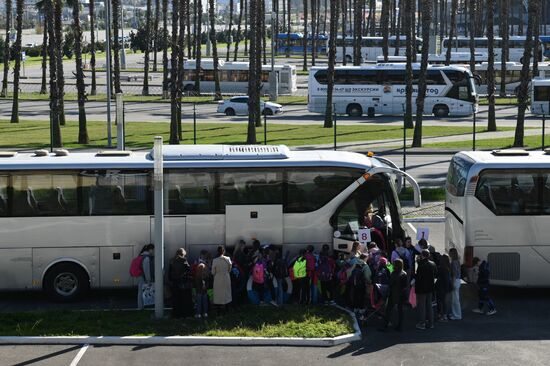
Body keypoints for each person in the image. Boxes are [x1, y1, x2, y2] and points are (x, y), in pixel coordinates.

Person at [380, 258, 408, 331]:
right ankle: (400, 326)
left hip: (393, 294)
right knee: (400, 311)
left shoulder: (394, 273)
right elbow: (405, 286)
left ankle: (385, 325)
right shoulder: (404, 273)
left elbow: (390, 284)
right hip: (401, 294)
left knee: (388, 310)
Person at [168, 248, 193, 318]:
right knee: (184, 299)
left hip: (174, 282)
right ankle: (185, 314)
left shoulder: (171, 261)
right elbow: (189, 270)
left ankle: (176, 314)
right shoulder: (184, 260)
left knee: (176, 300)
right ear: (183, 254)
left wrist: (170, 280)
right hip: (182, 282)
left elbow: (169, 273)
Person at [415, 249, 437, 330]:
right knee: (429, 305)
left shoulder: (421, 265)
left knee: (422, 306)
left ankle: (422, 323)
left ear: (422, 255)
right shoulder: (433, 264)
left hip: (422, 289)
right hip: (430, 288)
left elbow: (418, 278)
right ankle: (431, 323)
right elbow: (435, 276)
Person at [212, 245, 233, 313]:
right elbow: (230, 270)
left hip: (218, 278)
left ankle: (219, 310)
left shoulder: (215, 260)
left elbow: (213, 272)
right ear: (224, 251)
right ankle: (227, 309)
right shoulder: (228, 259)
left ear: (217, 252)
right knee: (227, 292)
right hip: (226, 277)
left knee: (218, 293)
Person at [137, 244, 154, 310]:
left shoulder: (141, 255)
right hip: (143, 278)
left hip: (140, 277)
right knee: (142, 293)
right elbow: (146, 270)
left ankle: (140, 307)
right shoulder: (146, 258)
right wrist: (148, 280)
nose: (153, 251)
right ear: (150, 249)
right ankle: (141, 307)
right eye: (153, 249)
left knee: (141, 292)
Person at [435, 254, 452, 322]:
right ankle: (444, 315)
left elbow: (437, 276)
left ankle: (440, 315)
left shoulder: (440, 268)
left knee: (439, 301)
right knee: (444, 301)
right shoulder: (448, 267)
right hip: (446, 286)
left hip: (440, 286)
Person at [194, 250, 210, 319]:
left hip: (200, 284)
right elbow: (206, 275)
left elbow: (201, 276)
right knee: (204, 300)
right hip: (205, 284)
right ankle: (205, 313)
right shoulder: (205, 265)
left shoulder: (200, 265)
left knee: (199, 300)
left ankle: (198, 313)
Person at [448, 248, 462, 320]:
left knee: (455, 299)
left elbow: (454, 274)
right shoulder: (457, 261)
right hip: (458, 280)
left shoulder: (453, 262)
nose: (449, 254)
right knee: (456, 298)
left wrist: (452, 283)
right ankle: (455, 314)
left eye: (449, 253)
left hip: (455, 280)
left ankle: (457, 315)